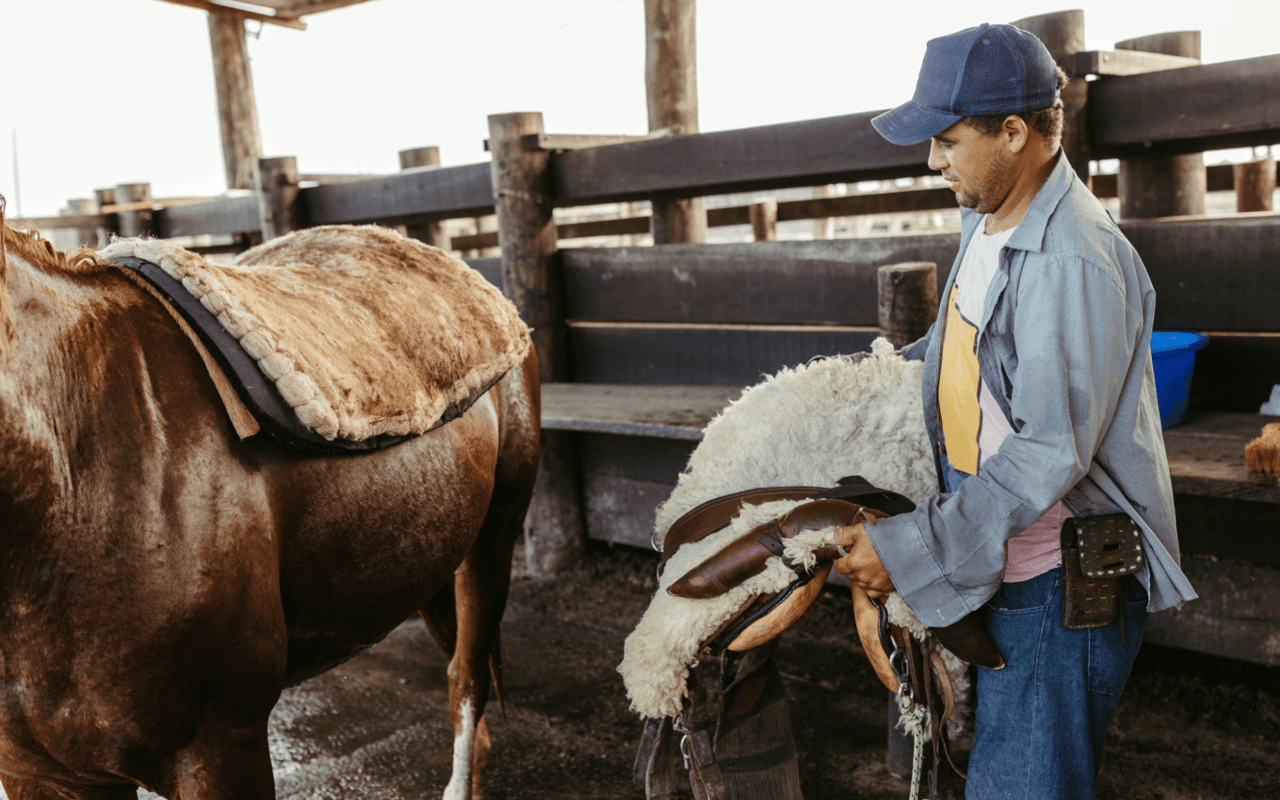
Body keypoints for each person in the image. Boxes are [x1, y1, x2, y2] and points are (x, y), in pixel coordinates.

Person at [824, 22, 1198, 799]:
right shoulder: (992, 220)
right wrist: (847, 392)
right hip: (1010, 563)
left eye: (949, 140)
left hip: (1060, 589)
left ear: (1016, 132)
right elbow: (960, 342)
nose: (933, 159)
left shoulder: (1069, 259)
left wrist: (908, 549)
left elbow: (1048, 452)